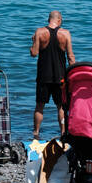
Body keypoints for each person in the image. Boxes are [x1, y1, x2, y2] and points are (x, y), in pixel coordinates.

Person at [30, 11, 73, 139]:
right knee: (61, 106)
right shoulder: (65, 33)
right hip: (60, 76)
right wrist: (72, 75)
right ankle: (63, 132)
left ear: (49, 19)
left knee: (39, 106)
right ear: (59, 20)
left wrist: (33, 42)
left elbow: (34, 53)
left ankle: (36, 133)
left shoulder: (39, 32)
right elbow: (70, 56)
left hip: (43, 75)